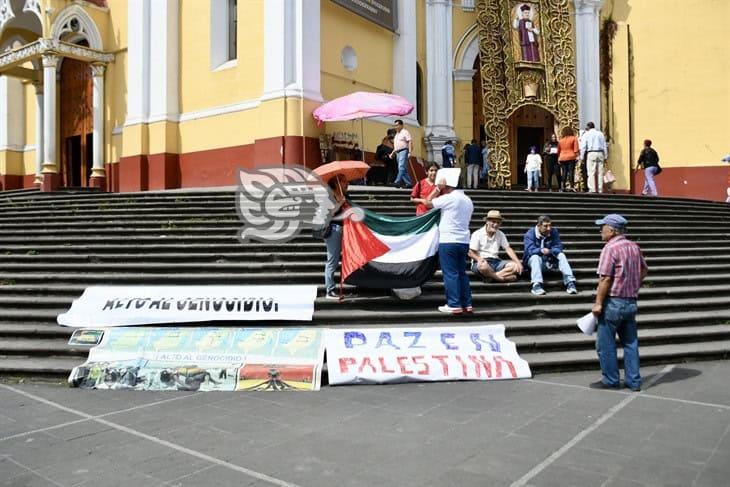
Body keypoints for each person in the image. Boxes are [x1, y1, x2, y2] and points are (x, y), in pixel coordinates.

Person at [591, 214, 648, 391]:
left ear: (613, 230)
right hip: (630, 301)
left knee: (605, 344)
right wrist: (633, 286)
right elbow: (644, 270)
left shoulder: (610, 248)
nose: (600, 230)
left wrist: (598, 303)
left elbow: (606, 279)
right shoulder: (634, 247)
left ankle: (611, 379)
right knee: (631, 344)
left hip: (613, 302)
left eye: (603, 226)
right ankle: (634, 381)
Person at [424, 175, 474, 314]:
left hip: (449, 240)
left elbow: (427, 203)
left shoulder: (449, 198)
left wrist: (437, 188)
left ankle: (454, 303)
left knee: (450, 273)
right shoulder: (468, 200)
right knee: (462, 273)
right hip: (463, 240)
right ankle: (467, 303)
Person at [523, 215, 577, 295]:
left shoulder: (553, 232)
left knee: (561, 255)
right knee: (535, 257)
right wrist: (541, 250)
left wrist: (549, 251)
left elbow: (558, 247)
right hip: (533, 265)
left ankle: (570, 282)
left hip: (549, 262)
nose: (549, 228)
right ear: (538, 226)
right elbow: (529, 251)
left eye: (550, 225)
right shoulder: (530, 234)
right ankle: (536, 284)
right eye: (545, 226)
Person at [468, 210, 523, 283]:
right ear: (487, 221)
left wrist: (518, 263)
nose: (496, 224)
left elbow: (508, 249)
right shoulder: (477, 234)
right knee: (483, 267)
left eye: (498, 222)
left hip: (496, 262)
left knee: (515, 266)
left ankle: (491, 277)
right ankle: (501, 278)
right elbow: (470, 252)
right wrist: (479, 259)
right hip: (482, 261)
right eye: (493, 222)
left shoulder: (500, 234)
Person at [323, 175, 350, 300]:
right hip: (333, 230)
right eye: (344, 181)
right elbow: (330, 212)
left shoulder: (345, 196)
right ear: (336, 182)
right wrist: (340, 203)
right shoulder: (329, 196)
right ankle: (330, 290)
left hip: (343, 230)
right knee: (332, 261)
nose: (347, 184)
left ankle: (336, 288)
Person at [580, 122, 608, 193]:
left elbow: (583, 147)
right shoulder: (600, 134)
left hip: (591, 153)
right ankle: (600, 189)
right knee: (600, 172)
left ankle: (592, 189)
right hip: (600, 153)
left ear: (588, 127)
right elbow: (604, 145)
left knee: (591, 172)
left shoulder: (586, 134)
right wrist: (606, 156)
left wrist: (582, 157)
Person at [390, 119, 413, 189]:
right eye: (395, 125)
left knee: (401, 167)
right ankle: (409, 183)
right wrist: (392, 153)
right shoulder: (397, 134)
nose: (395, 127)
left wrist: (410, 152)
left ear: (401, 125)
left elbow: (410, 142)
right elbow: (397, 146)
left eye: (397, 125)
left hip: (404, 151)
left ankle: (397, 181)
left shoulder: (405, 132)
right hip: (398, 152)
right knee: (403, 169)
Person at [558, 126, 579, 191]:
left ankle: (563, 186)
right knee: (571, 172)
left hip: (562, 157)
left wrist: (559, 157)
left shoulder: (561, 140)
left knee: (564, 172)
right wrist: (577, 157)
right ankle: (572, 186)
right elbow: (576, 149)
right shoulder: (574, 138)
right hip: (571, 157)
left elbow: (558, 150)